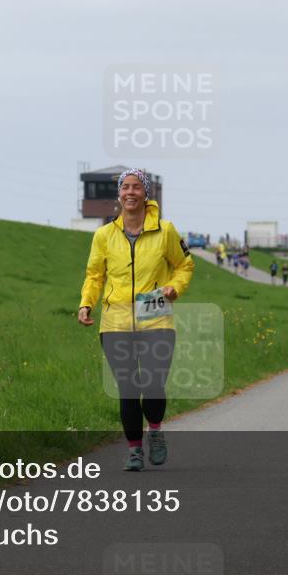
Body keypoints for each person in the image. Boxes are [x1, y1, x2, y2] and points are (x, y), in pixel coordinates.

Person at [78, 168, 194, 471]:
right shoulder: (104, 235)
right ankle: (133, 451)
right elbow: (95, 275)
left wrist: (174, 287)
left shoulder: (165, 231)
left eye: (136, 187)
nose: (130, 192)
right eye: (125, 187)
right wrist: (86, 304)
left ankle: (154, 431)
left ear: (146, 194)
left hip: (154, 314)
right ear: (119, 194)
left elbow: (185, 265)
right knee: (128, 389)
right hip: (115, 320)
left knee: (153, 384)